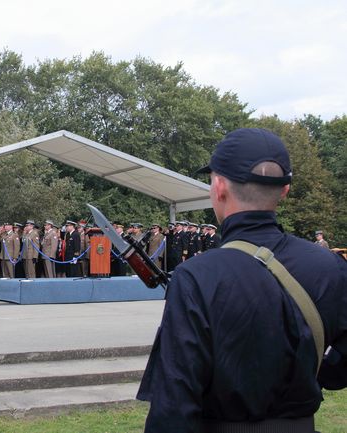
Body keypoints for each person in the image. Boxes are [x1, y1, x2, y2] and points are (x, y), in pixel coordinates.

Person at [137, 128, 347, 432]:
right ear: (285, 190)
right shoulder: (329, 265)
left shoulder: (196, 277)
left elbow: (174, 404)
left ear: (219, 187)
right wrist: (312, 373)